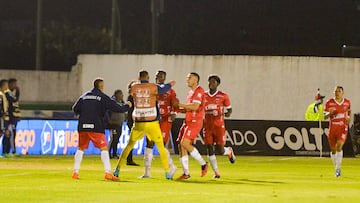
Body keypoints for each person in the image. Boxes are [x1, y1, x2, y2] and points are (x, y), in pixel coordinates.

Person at [113, 70, 176, 180]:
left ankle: (117, 170)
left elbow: (130, 92)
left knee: (128, 146)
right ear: (148, 77)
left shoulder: (134, 87)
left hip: (138, 123)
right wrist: (170, 84)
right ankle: (167, 173)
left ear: (139, 77)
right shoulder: (153, 86)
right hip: (152, 122)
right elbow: (163, 89)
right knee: (161, 147)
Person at [72, 77, 131, 181]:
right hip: (96, 126)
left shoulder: (84, 96)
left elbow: (75, 109)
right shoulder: (102, 97)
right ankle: (108, 173)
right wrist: (127, 106)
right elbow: (117, 108)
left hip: (82, 126)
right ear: (101, 86)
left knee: (81, 149)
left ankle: (75, 172)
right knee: (103, 148)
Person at [140, 70, 178, 178]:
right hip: (153, 119)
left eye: (161, 77)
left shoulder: (170, 91)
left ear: (165, 78)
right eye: (157, 76)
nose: (159, 78)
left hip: (165, 120)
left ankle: (171, 166)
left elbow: (175, 103)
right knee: (149, 143)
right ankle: (147, 172)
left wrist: (174, 112)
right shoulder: (151, 88)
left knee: (161, 144)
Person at [174, 72, 209, 180]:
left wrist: (179, 104)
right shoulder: (190, 92)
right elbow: (189, 108)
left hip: (195, 121)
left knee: (185, 143)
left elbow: (194, 107)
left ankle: (203, 164)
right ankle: (186, 173)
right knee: (181, 146)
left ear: (196, 80)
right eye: (187, 78)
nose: (187, 79)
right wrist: (177, 109)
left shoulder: (199, 91)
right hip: (188, 121)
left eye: (189, 78)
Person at [203, 74, 236, 178]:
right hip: (207, 126)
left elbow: (229, 110)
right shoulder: (203, 95)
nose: (211, 84)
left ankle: (229, 151)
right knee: (209, 148)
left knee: (220, 151)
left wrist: (227, 113)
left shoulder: (223, 96)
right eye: (209, 82)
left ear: (217, 84)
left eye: (213, 82)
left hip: (219, 126)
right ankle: (216, 172)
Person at [324, 86, 351, 177]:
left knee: (339, 146)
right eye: (335, 91)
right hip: (332, 129)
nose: (337, 93)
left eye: (339, 91)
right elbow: (324, 116)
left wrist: (348, 118)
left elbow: (349, 111)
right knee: (333, 150)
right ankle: (336, 167)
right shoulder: (329, 102)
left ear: (342, 92)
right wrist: (329, 113)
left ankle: (338, 169)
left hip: (343, 128)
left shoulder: (347, 102)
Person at [105, 89, 126, 159]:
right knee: (113, 139)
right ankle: (108, 154)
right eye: (121, 94)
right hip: (114, 124)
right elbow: (106, 112)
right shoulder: (112, 103)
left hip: (119, 124)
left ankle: (114, 154)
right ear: (117, 95)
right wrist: (109, 120)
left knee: (116, 139)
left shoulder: (122, 102)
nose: (122, 96)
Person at [125, 80, 140, 166]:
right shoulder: (131, 97)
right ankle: (128, 159)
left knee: (132, 141)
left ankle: (129, 159)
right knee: (131, 141)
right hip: (132, 121)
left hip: (134, 121)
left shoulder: (134, 97)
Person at [8, 78, 21, 155]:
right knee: (10, 134)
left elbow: (16, 105)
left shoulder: (12, 93)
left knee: (12, 134)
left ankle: (12, 150)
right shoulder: (8, 93)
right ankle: (11, 151)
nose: (16, 86)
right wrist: (18, 93)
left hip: (14, 118)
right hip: (10, 118)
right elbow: (14, 101)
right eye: (14, 84)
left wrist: (18, 117)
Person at [0, 79, 11, 157]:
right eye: (6, 85)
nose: (7, 87)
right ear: (3, 86)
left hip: (3, 117)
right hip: (1, 117)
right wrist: (2, 114)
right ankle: (4, 152)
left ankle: (5, 152)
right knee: (3, 133)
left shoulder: (3, 94)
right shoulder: (0, 94)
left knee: (3, 133)